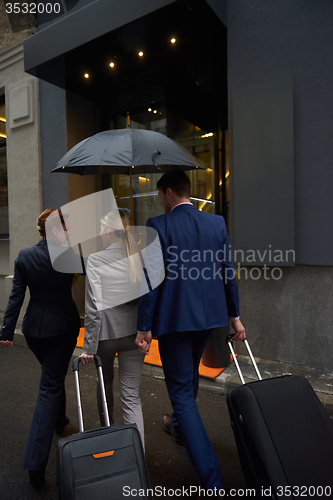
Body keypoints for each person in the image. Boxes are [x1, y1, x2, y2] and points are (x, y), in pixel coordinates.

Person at [136, 169, 246, 492]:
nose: (159, 201)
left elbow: (150, 281)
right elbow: (229, 274)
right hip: (208, 322)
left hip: (173, 324)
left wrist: (144, 327)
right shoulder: (216, 224)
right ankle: (182, 430)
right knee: (189, 378)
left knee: (182, 394)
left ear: (169, 192)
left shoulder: (159, 225)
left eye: (159, 196)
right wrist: (234, 316)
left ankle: (212, 482)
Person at [0, 209, 81, 487]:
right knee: (50, 385)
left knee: (52, 376)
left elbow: (16, 296)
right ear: (56, 230)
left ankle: (61, 422)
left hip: (34, 329)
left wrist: (7, 330)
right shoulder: (69, 256)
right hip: (62, 330)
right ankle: (36, 464)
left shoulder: (24, 256)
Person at [81, 210, 146, 447]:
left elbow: (94, 308)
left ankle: (108, 437)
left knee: (105, 382)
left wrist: (88, 346)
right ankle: (137, 455)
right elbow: (146, 298)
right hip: (134, 335)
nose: (99, 232)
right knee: (131, 396)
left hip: (106, 336)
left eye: (101, 227)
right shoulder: (137, 256)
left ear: (109, 230)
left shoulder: (95, 260)